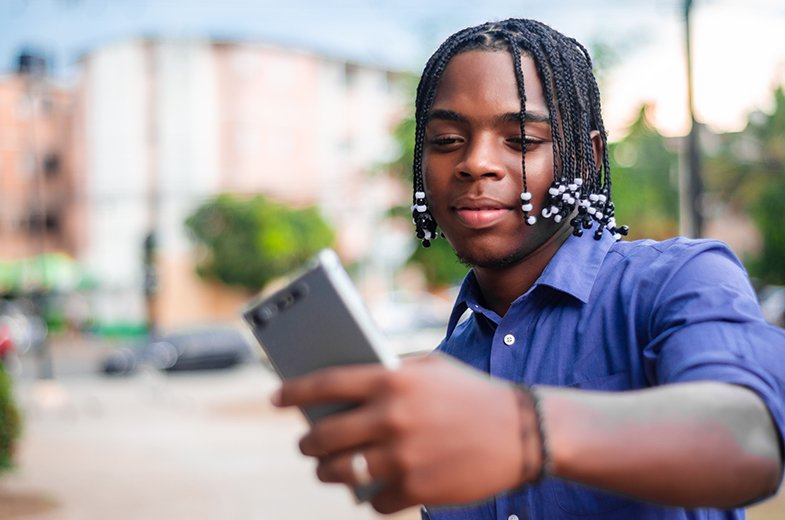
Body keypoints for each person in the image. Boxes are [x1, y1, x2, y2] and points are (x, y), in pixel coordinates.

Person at [273, 18, 785, 519]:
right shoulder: (446, 372)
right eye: (447, 140)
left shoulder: (678, 280)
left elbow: (751, 442)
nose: (476, 163)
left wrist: (525, 431)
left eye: (521, 141)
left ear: (585, 159)